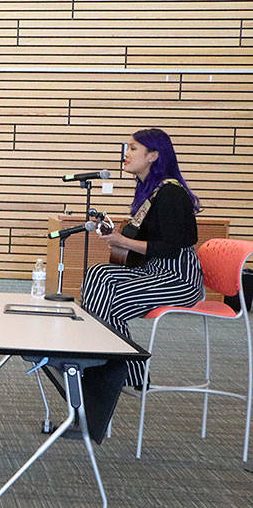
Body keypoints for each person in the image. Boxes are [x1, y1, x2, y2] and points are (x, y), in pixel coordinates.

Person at [77, 128, 206, 439]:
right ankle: (115, 368)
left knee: (113, 299)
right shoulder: (152, 192)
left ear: (154, 156)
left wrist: (122, 240)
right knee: (97, 274)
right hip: (155, 270)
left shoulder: (171, 193)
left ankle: (113, 371)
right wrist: (117, 235)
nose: (127, 153)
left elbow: (172, 247)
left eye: (134, 148)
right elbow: (143, 241)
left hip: (179, 277)